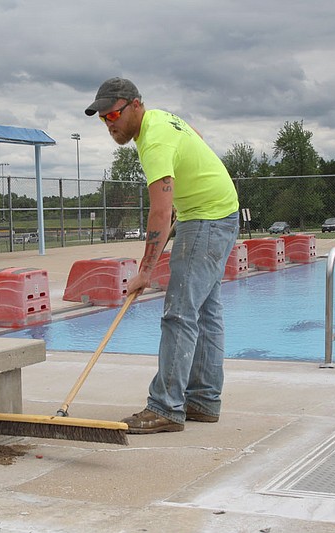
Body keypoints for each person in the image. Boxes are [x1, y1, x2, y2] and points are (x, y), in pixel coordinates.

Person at [85, 77, 239, 434]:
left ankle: (166, 407)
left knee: (179, 313)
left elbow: (159, 211)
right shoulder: (163, 120)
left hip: (206, 217)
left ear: (135, 104)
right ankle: (203, 400)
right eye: (103, 118)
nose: (110, 124)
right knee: (205, 311)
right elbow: (196, 137)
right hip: (219, 211)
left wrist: (145, 270)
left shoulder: (153, 140)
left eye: (114, 114)